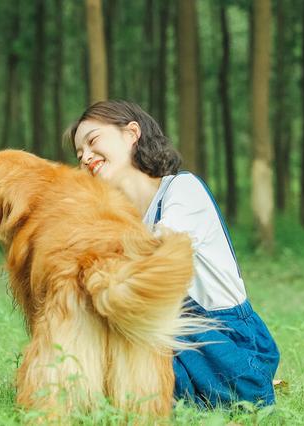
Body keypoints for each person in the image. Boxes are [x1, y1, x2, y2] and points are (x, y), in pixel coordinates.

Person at [65, 100, 280, 408]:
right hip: (169, 335)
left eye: (93, 140)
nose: (85, 156)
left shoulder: (182, 190)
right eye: (79, 153)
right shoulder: (122, 217)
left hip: (224, 343)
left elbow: (159, 253)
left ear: (131, 133)